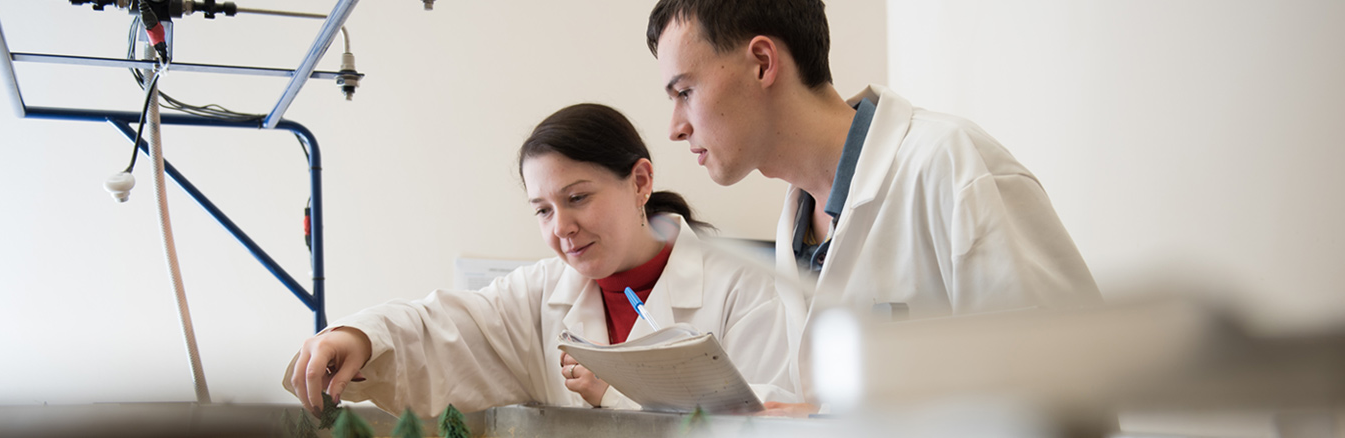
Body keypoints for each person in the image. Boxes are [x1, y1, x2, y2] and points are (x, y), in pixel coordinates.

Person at [646, 0, 1102, 414]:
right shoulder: (798, 226)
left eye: (684, 92)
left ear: (762, 63)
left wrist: (826, 419)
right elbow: (823, 402)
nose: (675, 128)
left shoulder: (950, 167)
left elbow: (1063, 395)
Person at [283, 103, 795, 417]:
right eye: (543, 210)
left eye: (577, 198)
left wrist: (621, 396)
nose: (561, 228)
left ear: (640, 182)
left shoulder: (744, 288)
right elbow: (443, 330)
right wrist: (358, 337)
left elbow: (773, 414)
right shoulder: (542, 294)